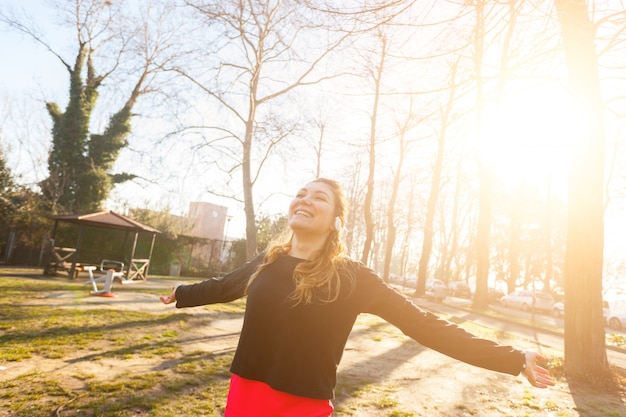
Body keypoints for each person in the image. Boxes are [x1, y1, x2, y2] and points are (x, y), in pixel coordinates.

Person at [160, 178, 554, 416]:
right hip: (245, 396)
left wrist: (513, 358)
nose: (305, 200)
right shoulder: (269, 259)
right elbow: (226, 285)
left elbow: (424, 324)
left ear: (336, 221)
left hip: (302, 407)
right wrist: (182, 293)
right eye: (301, 193)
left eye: (318, 197)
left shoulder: (353, 277)